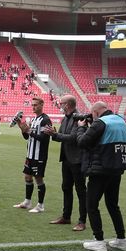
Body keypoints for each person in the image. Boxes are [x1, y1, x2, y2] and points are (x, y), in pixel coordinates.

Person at [76, 102, 126, 251]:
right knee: (113, 204)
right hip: (116, 168)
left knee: (92, 204)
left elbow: (82, 142)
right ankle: (122, 239)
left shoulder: (100, 123)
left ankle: (99, 240)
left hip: (100, 169)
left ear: (95, 111)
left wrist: (81, 127)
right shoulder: (121, 120)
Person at [43, 94, 87, 231]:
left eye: (61, 103)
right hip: (67, 159)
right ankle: (66, 217)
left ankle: (82, 221)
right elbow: (62, 135)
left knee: (81, 191)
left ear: (67, 105)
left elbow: (73, 138)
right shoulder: (66, 118)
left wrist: (55, 135)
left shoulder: (79, 118)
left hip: (77, 160)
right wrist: (53, 132)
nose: (59, 105)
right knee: (66, 187)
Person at [12, 97, 52, 213]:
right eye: (32, 105)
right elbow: (27, 137)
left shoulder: (45, 120)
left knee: (38, 178)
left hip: (39, 155)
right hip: (30, 154)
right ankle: (27, 202)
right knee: (27, 177)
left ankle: (40, 205)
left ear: (41, 105)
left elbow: (44, 139)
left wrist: (30, 131)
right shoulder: (34, 119)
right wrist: (22, 128)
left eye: (36, 105)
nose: (33, 107)